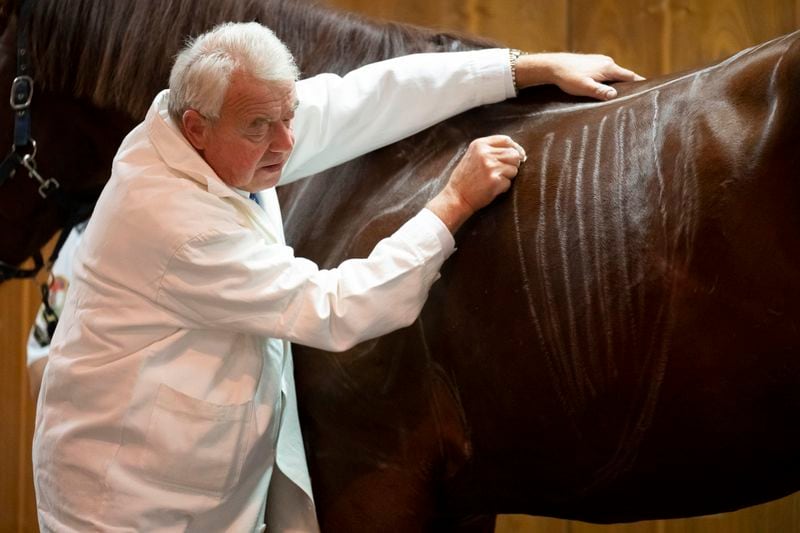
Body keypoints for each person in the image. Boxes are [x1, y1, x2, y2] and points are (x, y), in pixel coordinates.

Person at [31, 21, 641, 532]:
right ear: (196, 126)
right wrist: (452, 202)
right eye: (261, 128)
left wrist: (526, 68)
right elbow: (334, 308)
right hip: (127, 507)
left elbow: (365, 97)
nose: (285, 142)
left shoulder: (229, 125)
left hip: (198, 478)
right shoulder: (170, 219)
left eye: (288, 117)